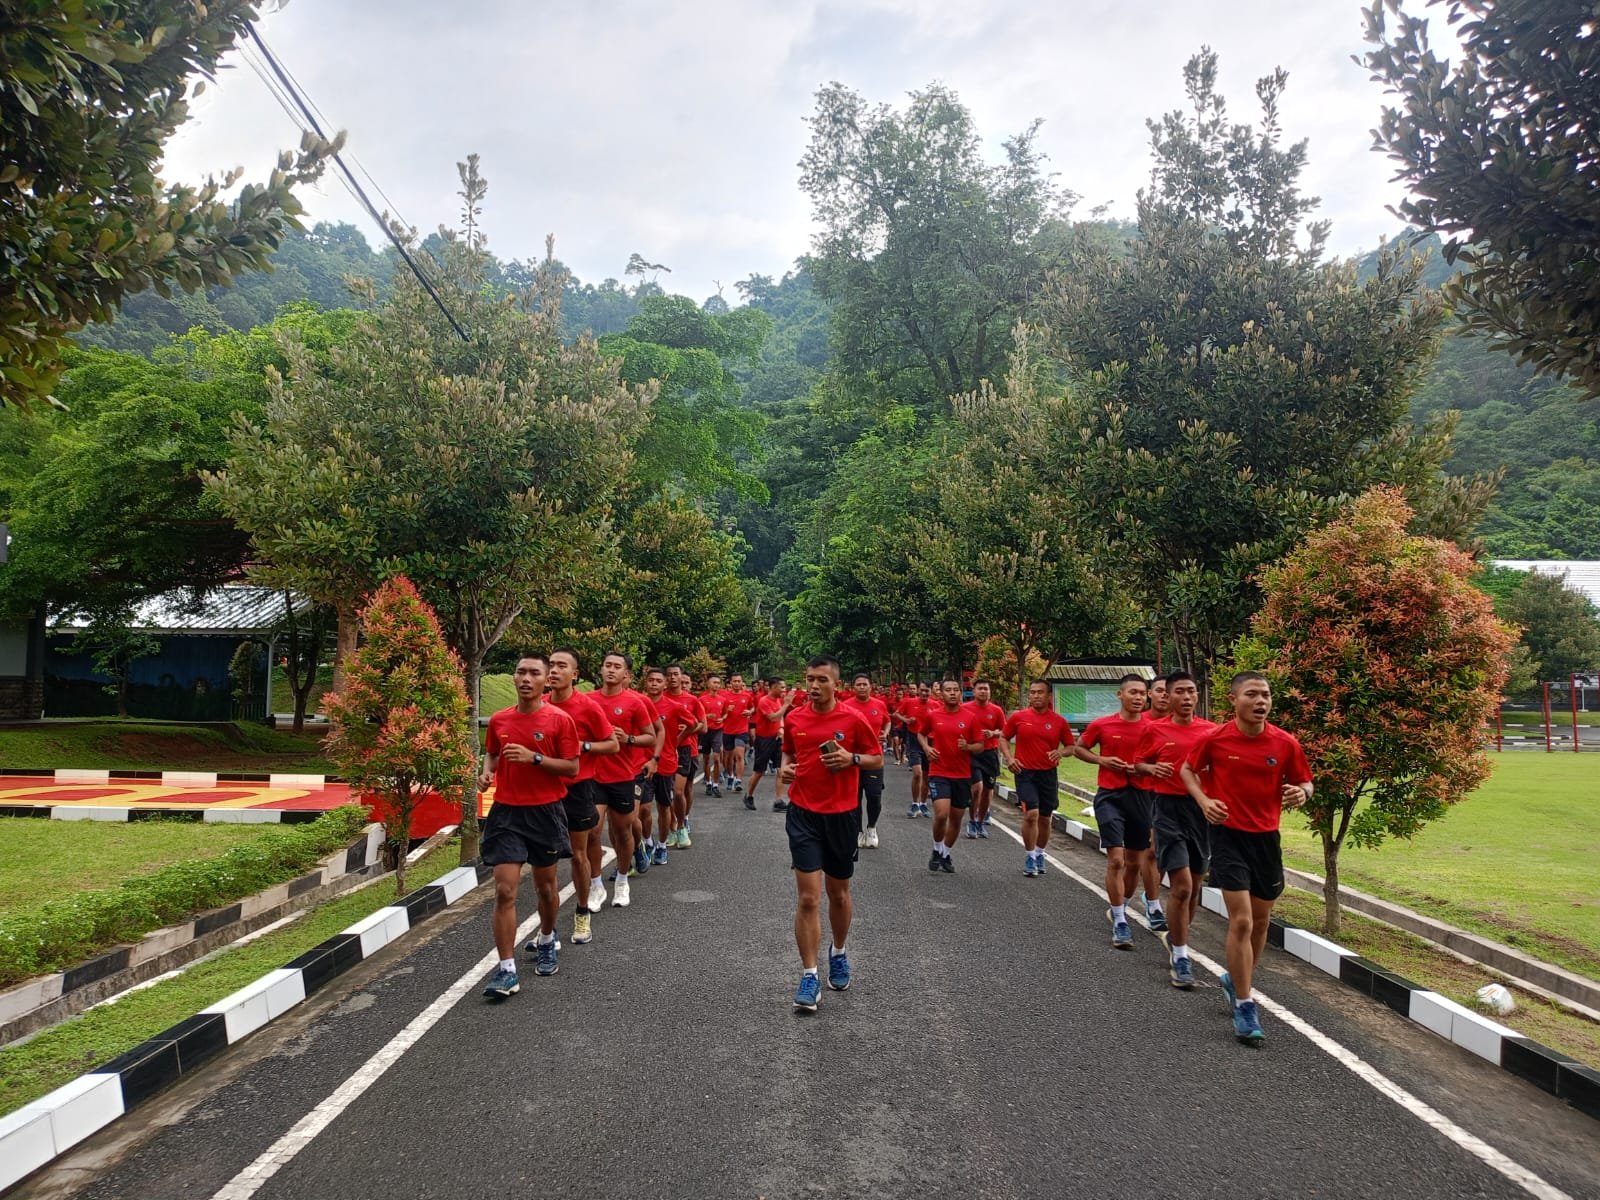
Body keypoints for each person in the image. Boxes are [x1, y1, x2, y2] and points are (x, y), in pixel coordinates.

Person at [1182, 671, 1312, 1045]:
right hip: (1228, 836)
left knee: (1260, 922)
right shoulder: (1216, 739)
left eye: (1266, 695)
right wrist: (1204, 801)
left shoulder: (1285, 743)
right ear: (1234, 700)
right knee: (1241, 921)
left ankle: (1236, 979)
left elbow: (1305, 780)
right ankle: (1244, 1003)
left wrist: (1303, 793)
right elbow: (1188, 769)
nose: (1260, 701)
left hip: (1266, 840)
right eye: (1252, 694)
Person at [778, 655, 884, 1011]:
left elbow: (876, 758)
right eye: (810, 678)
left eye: (822, 679)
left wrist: (852, 759)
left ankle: (838, 952)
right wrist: (786, 770)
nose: (814, 685)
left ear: (836, 684)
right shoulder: (795, 718)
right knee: (809, 898)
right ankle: (809, 976)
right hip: (803, 814)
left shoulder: (853, 719)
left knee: (838, 894)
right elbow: (788, 754)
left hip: (842, 816)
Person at [479, 655, 580, 998]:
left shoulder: (559, 720)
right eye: (520, 672)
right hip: (507, 812)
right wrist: (487, 772)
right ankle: (507, 970)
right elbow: (493, 753)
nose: (526, 678)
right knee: (504, 890)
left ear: (545, 680)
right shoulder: (500, 719)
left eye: (534, 673)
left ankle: (547, 938)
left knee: (546, 889)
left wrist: (534, 758)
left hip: (545, 812)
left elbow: (571, 768)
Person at [1140, 670, 1216, 987]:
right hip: (1167, 809)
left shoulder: (1212, 731)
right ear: (1167, 696)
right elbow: (1138, 763)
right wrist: (1151, 767)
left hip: (1200, 812)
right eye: (1179, 692)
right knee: (1181, 886)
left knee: (1194, 889)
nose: (1186, 697)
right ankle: (1182, 956)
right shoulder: (1154, 729)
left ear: (1197, 695)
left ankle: (1177, 936)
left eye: (1191, 691)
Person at [1074, 675, 1159, 950]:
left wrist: (1144, 769)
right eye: (1132, 692)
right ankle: (1121, 921)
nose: (1138, 697)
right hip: (1110, 796)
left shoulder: (1154, 728)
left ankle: (1120, 906)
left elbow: (1162, 760)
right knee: (1116, 860)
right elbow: (1079, 748)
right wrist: (1102, 759)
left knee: (1134, 863)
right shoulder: (1102, 724)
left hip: (1141, 797)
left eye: (1142, 693)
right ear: (1119, 694)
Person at [544, 649, 621, 938]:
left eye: (561, 666)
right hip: (546, 790)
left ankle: (582, 911)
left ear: (574, 674)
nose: (554, 670)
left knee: (578, 854)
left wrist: (583, 746)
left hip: (578, 788)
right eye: (551, 665)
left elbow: (612, 744)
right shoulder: (540, 704)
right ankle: (547, 929)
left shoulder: (588, 707)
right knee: (546, 860)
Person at [593, 651, 664, 901]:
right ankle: (602, 880)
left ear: (627, 674)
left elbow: (656, 732)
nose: (612, 670)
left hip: (630, 771)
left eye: (617, 666)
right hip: (595, 776)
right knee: (596, 829)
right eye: (608, 665)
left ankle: (635, 851)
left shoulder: (637, 701)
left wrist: (652, 758)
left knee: (628, 823)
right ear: (601, 669)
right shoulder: (589, 701)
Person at [1002, 680, 1075, 876]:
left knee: (1045, 818)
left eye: (1040, 692)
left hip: (1048, 774)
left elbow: (1071, 746)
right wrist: (1009, 758)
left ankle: (1040, 853)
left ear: (1049, 696)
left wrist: (1060, 752)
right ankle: (1030, 857)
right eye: (1032, 692)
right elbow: (1003, 737)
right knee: (1031, 814)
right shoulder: (1019, 717)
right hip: (1025, 773)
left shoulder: (1059, 721)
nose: (1035, 696)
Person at [919, 677, 984, 873]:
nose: (953, 693)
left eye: (956, 689)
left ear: (960, 693)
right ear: (941, 693)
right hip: (939, 772)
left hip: (962, 775)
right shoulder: (933, 715)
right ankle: (936, 848)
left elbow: (980, 746)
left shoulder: (970, 717)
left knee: (956, 819)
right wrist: (927, 749)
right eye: (948, 690)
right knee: (941, 815)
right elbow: (921, 734)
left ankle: (945, 853)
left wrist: (968, 747)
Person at [844, 673, 890, 848]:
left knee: (874, 796)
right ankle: (858, 831)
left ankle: (871, 827)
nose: (862, 687)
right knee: (854, 798)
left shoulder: (879, 705)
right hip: (852, 759)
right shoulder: (846, 706)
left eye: (865, 684)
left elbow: (887, 722)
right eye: (859, 684)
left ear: (871, 687)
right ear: (853, 688)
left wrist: (885, 733)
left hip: (874, 758)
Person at [664, 665, 706, 845]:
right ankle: (672, 827)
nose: (672, 678)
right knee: (666, 793)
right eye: (669, 675)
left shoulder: (692, 700)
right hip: (664, 750)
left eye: (676, 674)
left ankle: (682, 823)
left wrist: (687, 729)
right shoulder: (659, 698)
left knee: (680, 790)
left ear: (682, 677)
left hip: (686, 749)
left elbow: (703, 726)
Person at [642, 667, 680, 862]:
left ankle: (662, 845)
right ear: (646, 682)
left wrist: (676, 742)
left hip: (666, 764)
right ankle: (648, 842)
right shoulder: (639, 703)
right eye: (651, 680)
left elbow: (695, 724)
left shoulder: (674, 706)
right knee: (644, 809)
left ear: (665, 684)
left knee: (664, 807)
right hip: (643, 763)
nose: (654, 684)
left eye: (658, 680)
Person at [962, 679, 1006, 838]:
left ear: (989, 692)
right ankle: (972, 821)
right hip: (973, 753)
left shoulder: (996, 710)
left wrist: (993, 733)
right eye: (980, 688)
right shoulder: (965, 708)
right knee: (977, 788)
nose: (983, 691)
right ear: (973, 691)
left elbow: (1005, 731)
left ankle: (980, 822)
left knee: (988, 791)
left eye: (986, 689)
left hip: (990, 754)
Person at [746, 677, 789, 811]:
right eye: (782, 687)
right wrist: (787, 705)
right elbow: (773, 717)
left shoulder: (778, 700)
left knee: (780, 770)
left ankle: (778, 800)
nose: (784, 690)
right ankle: (749, 795)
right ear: (773, 687)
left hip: (776, 738)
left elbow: (780, 718)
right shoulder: (764, 701)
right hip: (764, 740)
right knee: (759, 771)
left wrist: (781, 728)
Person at [898, 683, 930, 817]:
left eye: (927, 691)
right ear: (918, 690)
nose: (924, 693)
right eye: (922, 690)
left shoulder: (936, 705)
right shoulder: (909, 702)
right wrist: (906, 720)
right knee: (917, 773)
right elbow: (897, 714)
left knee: (927, 776)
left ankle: (923, 804)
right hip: (913, 740)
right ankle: (915, 803)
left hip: (929, 742)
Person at [722, 673, 755, 792]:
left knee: (739, 755)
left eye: (739, 681)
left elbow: (752, 707)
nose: (736, 683)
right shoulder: (724, 696)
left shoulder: (747, 696)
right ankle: (730, 775)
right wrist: (726, 710)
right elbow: (720, 713)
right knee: (728, 758)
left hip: (742, 730)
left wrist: (750, 712)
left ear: (742, 682)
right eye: (734, 681)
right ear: (730, 683)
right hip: (727, 730)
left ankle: (738, 780)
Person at [698, 674, 728, 796]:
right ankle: (708, 782)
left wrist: (722, 718)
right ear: (708, 684)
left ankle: (716, 784)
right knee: (706, 759)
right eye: (714, 682)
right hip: (705, 731)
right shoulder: (701, 699)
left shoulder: (723, 700)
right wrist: (707, 716)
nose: (716, 685)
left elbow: (725, 713)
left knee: (716, 758)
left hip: (717, 730)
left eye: (718, 683)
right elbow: (697, 716)